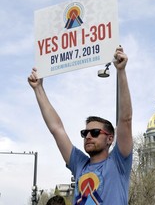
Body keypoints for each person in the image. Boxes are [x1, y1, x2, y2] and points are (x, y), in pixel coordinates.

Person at [28, 47, 133, 205]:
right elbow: (57, 129)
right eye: (85, 133)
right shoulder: (79, 164)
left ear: (110, 138)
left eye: (95, 132)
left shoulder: (118, 162)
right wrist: (38, 89)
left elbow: (125, 119)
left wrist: (121, 72)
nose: (88, 136)